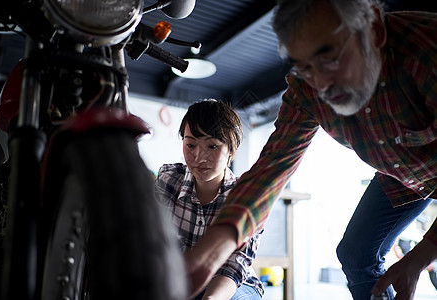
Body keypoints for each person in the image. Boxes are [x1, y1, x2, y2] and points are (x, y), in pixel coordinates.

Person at [183, 1, 437, 300]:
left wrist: (421, 256)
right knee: (356, 255)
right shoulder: (306, 90)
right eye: (303, 67)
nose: (321, 84)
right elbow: (270, 171)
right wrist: (212, 252)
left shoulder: (426, 51)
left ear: (375, 31)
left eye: (329, 58)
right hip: (399, 174)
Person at [154, 99, 264, 300]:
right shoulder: (169, 179)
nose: (199, 157)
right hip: (178, 279)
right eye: (190, 144)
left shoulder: (245, 194)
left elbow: (235, 264)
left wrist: (211, 298)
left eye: (212, 146)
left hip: (233, 285)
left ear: (231, 150)